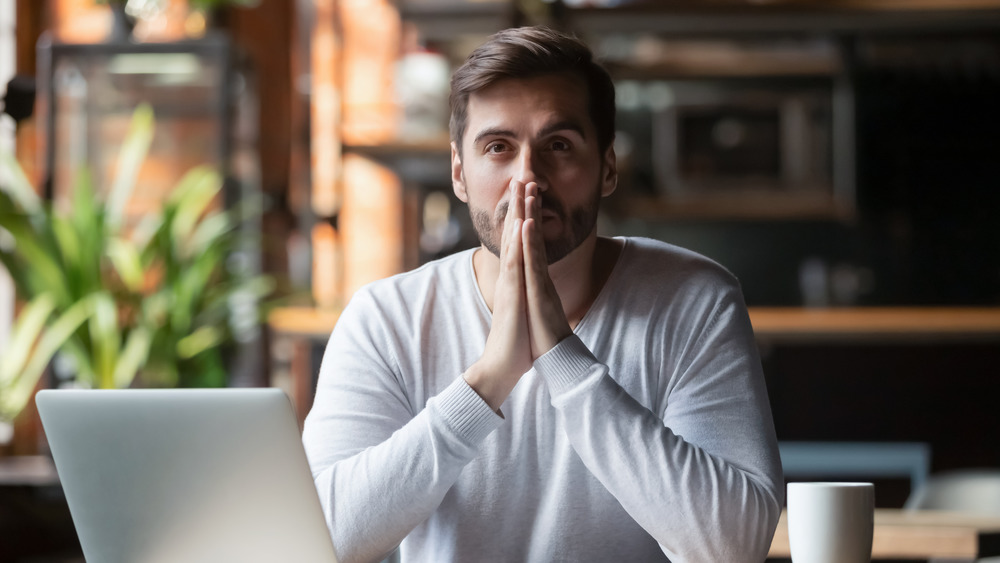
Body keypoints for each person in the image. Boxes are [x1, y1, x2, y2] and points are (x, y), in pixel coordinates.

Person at [303, 26, 783, 563]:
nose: (528, 178)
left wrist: (562, 357)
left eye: (558, 146)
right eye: (498, 148)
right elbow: (321, 540)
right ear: (459, 173)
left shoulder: (694, 299)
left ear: (607, 167)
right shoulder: (385, 319)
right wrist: (488, 380)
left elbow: (736, 547)